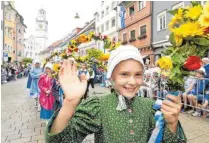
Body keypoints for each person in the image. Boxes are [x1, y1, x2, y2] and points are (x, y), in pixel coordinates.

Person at [45, 45, 186, 143]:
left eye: (138, 74)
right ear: (111, 77)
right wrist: (70, 102)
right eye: (124, 74)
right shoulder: (98, 106)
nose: (132, 81)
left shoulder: (151, 107)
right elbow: (59, 140)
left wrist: (172, 123)